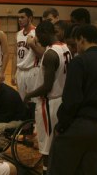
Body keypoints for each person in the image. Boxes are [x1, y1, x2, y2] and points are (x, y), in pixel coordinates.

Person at [48, 24, 97, 175]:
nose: (76, 46)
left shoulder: (79, 62)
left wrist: (61, 126)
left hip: (76, 126)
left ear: (82, 39)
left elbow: (72, 100)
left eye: (76, 42)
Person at [24, 20, 72, 175]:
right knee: (57, 143)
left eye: (38, 37)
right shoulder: (65, 47)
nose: (37, 40)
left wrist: (29, 95)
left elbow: (47, 86)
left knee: (46, 146)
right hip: (62, 100)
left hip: (49, 103)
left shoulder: (50, 54)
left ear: (45, 34)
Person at [11, 8, 44, 100]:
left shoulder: (38, 32)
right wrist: (13, 74)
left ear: (30, 18)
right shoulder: (18, 34)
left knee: (34, 100)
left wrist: (33, 45)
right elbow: (14, 55)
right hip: (20, 71)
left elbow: (42, 53)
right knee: (22, 100)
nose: (19, 20)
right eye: (18, 18)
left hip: (32, 70)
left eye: (22, 17)